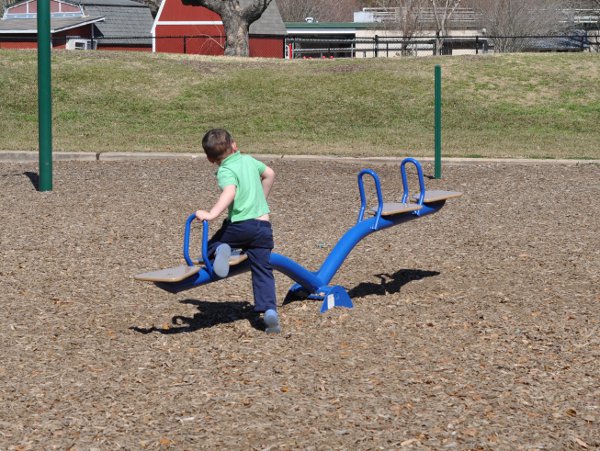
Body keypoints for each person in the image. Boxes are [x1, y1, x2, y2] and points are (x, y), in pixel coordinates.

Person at [195, 129, 280, 334]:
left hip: (240, 226)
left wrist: (211, 214)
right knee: (262, 270)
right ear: (235, 145)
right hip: (262, 227)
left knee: (209, 248)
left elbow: (230, 191)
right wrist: (262, 198)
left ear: (209, 159)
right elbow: (270, 173)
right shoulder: (249, 160)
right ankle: (269, 311)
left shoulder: (225, 170)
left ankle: (222, 250)